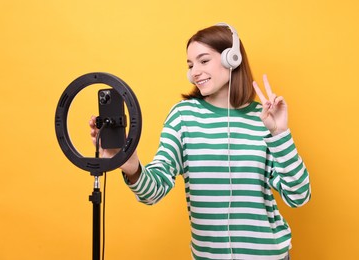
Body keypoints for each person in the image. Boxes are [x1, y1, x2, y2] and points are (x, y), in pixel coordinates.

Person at [90, 23, 311, 260]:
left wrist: (280, 135)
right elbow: (153, 192)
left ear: (232, 58)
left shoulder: (264, 118)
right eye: (190, 65)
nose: (195, 71)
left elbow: (298, 196)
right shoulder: (183, 116)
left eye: (203, 61)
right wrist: (131, 166)